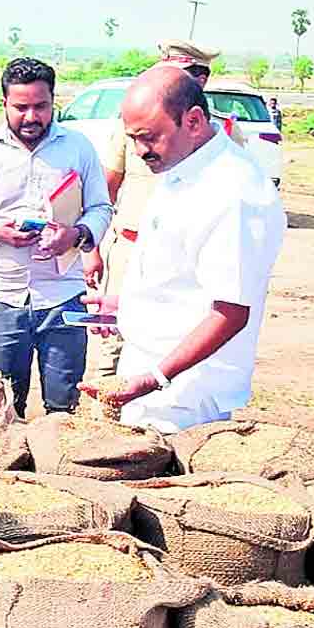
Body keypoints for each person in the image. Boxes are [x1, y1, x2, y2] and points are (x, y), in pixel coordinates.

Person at [77, 65, 285, 433]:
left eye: (150, 137)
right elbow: (181, 275)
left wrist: (156, 377)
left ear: (192, 120)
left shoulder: (234, 192)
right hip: (150, 376)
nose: (141, 151)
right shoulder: (181, 166)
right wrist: (127, 306)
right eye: (133, 139)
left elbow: (231, 312)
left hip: (184, 396)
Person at [0, 57, 111, 415]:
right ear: (4, 103)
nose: (31, 116)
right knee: (4, 407)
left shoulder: (78, 147)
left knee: (63, 406)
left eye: (41, 106)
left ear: (54, 101)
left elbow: (101, 208)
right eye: (20, 107)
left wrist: (76, 235)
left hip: (65, 296)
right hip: (3, 297)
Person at [87, 38, 244, 378]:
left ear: (199, 80)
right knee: (113, 353)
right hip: (130, 250)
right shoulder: (134, 126)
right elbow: (105, 189)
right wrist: (93, 248)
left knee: (173, 348)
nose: (144, 148)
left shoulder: (225, 138)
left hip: (185, 263)